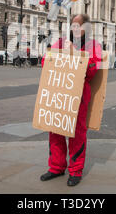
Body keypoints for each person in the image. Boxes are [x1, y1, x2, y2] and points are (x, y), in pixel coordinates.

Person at [40, 14, 101, 187]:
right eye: (73, 25)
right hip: (58, 93)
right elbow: (46, 61)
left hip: (79, 95)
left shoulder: (93, 46)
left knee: (77, 134)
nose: (75, 29)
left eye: (79, 26)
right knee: (55, 130)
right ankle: (56, 167)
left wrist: (74, 53)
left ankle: (75, 171)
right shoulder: (60, 42)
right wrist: (61, 53)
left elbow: (91, 71)